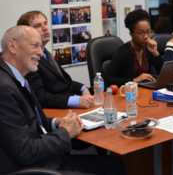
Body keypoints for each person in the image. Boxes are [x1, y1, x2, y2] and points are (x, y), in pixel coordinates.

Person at [0, 25, 125, 174]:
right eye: (35, 46)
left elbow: (33, 122)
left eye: (41, 47)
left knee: (114, 164)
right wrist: (66, 132)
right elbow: (25, 151)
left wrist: (56, 122)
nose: (40, 53)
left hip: (43, 160)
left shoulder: (15, 77)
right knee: (112, 167)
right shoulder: (4, 88)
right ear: (12, 46)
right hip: (33, 168)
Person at [17, 11, 94, 109]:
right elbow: (40, 98)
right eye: (38, 25)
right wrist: (76, 101)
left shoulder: (45, 53)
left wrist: (83, 88)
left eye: (45, 23)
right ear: (26, 33)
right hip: (55, 111)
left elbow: (64, 82)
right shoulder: (28, 59)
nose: (45, 28)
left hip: (68, 106)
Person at [104, 9, 163, 87]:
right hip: (127, 94)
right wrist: (134, 80)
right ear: (132, 34)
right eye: (140, 33)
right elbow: (106, 79)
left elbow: (164, 73)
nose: (146, 36)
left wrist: (155, 53)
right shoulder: (123, 52)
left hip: (144, 91)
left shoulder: (147, 49)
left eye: (148, 32)